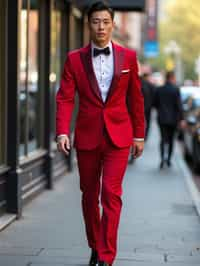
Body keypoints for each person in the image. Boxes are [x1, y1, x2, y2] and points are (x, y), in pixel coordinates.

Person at [56, 2, 145, 266]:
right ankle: (95, 244)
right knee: (89, 194)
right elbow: (65, 98)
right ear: (88, 24)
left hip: (119, 136)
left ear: (113, 24)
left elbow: (136, 99)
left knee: (111, 193)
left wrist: (139, 135)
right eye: (96, 21)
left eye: (105, 21)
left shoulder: (128, 57)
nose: (101, 27)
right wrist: (62, 131)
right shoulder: (74, 59)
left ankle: (106, 256)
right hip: (87, 136)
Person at [154, 71, 184, 169]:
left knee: (163, 139)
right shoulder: (175, 90)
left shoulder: (159, 89)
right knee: (171, 140)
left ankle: (162, 159)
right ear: (172, 78)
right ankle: (169, 160)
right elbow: (179, 106)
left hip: (162, 118)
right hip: (173, 119)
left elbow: (155, 103)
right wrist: (181, 119)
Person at [141, 73, 155, 140]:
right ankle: (145, 135)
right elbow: (154, 96)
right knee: (147, 122)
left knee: (140, 121)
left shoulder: (139, 84)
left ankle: (141, 134)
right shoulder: (151, 85)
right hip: (148, 107)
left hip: (140, 107)